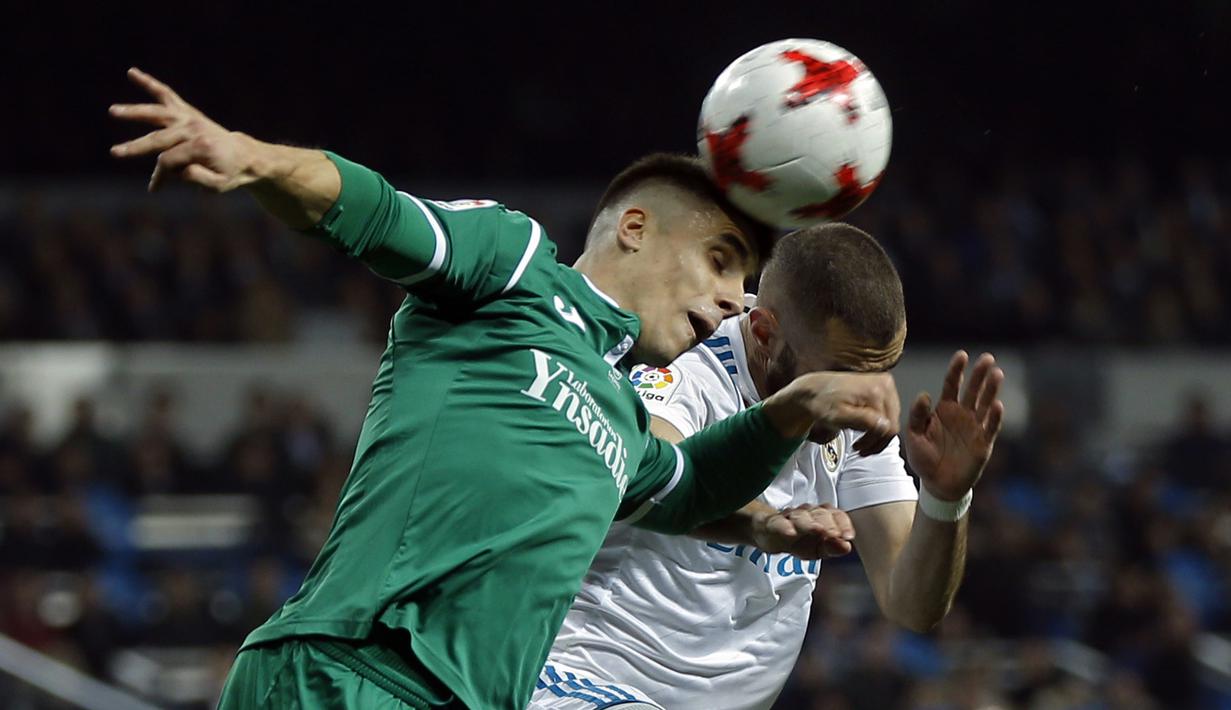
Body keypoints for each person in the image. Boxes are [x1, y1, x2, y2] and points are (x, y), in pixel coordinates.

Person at [109, 68, 905, 710]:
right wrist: (253, 157)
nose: (737, 299)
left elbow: (690, 486)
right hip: (352, 672)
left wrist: (790, 424)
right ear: (634, 228)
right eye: (721, 260)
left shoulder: (624, 418)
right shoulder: (515, 269)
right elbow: (379, 212)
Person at [532, 224, 1005, 710]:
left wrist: (946, 497)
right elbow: (648, 473)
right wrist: (763, 520)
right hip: (586, 681)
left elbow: (911, 603)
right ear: (763, 332)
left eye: (881, 369)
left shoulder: (856, 408)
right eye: (841, 373)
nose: (864, 393)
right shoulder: (688, 363)